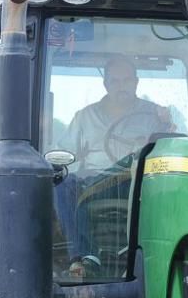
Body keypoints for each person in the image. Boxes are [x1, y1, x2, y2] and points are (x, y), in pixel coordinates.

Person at [56, 56, 174, 277]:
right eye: (115, 81)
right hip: (91, 181)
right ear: (106, 84)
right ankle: (81, 257)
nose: (122, 86)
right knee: (62, 182)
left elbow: (170, 146)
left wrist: (167, 124)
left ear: (136, 82)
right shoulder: (85, 117)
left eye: (127, 81)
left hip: (137, 181)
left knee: (134, 159)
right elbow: (67, 155)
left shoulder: (154, 115)